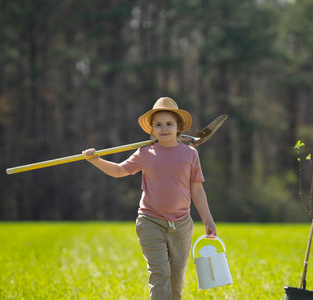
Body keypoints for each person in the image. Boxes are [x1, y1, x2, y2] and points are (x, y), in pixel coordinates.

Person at [82, 97, 216, 300]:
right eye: (158, 125)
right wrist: (96, 160)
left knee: (176, 277)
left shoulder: (190, 154)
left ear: (178, 127)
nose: (164, 128)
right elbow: (119, 170)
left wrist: (208, 220)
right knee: (160, 273)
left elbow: (197, 191)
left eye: (169, 124)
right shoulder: (145, 153)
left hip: (181, 224)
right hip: (150, 221)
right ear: (151, 130)